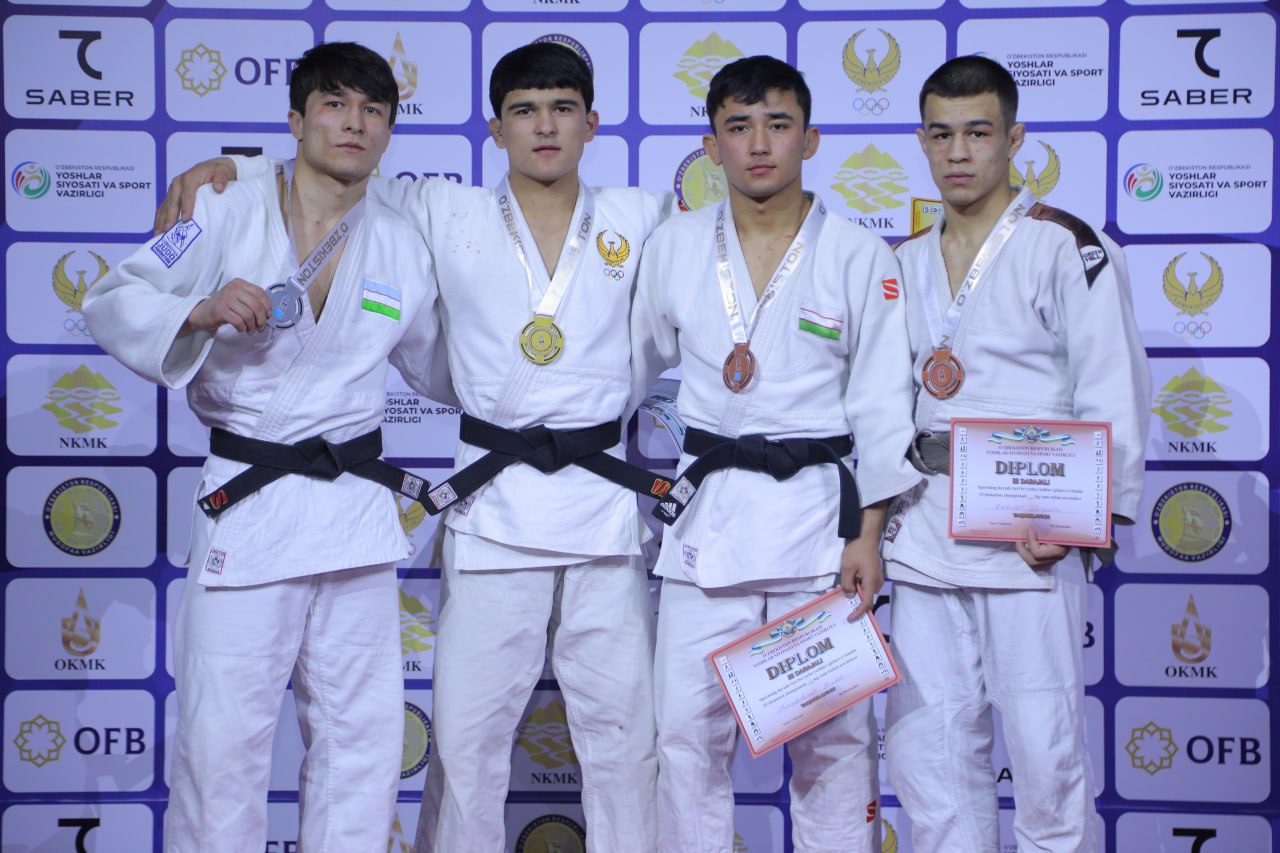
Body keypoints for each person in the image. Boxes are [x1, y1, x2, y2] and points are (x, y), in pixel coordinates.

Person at [158, 41, 668, 852]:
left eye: (563, 109)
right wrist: (234, 167)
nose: (545, 127)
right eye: (525, 110)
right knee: (464, 745)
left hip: (599, 504)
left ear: (593, 123)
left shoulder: (644, 217)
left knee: (625, 741)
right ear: (495, 129)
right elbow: (332, 171)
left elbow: (726, 257)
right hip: (492, 503)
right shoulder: (441, 208)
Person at [83, 42, 441, 852]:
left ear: (389, 132)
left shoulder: (400, 241)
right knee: (223, 743)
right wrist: (199, 308)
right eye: (335, 104)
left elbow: (441, 364)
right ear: (296, 120)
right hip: (250, 505)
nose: (354, 123)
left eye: (373, 111)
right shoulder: (220, 210)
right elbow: (113, 297)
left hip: (354, 513)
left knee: (363, 742)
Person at [630, 55, 921, 852]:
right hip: (706, 527)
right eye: (738, 126)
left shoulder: (859, 254)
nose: (759, 144)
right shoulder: (674, 246)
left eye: (778, 124)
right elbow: (621, 376)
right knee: (686, 740)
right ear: (711, 146)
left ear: (810, 138)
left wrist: (867, 536)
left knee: (834, 745)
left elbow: (883, 408)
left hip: (818, 531)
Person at [880, 55, 1150, 852]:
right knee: (928, 754)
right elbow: (883, 402)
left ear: (1014, 138)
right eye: (941, 135)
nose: (958, 152)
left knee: (1045, 753)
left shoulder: (1067, 245)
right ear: (922, 142)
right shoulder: (903, 260)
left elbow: (1112, 384)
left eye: (978, 133)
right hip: (924, 530)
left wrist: (1084, 520)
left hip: (1030, 533)